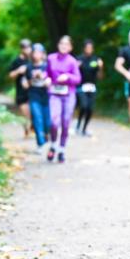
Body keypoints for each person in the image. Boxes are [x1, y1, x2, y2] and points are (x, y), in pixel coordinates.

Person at [46, 35, 81, 163]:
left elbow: (78, 79)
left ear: (70, 47)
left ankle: (61, 149)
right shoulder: (50, 58)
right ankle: (53, 145)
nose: (63, 46)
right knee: (54, 121)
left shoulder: (72, 61)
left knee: (66, 122)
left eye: (66, 44)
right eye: (61, 43)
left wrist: (67, 77)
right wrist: (47, 78)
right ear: (58, 45)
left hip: (68, 94)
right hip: (54, 94)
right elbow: (46, 72)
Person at [25, 43, 51, 154]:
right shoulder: (29, 67)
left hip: (46, 96)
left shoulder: (47, 66)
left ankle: (46, 136)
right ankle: (40, 143)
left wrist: (45, 79)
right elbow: (26, 83)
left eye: (39, 52)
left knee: (48, 122)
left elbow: (51, 80)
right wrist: (33, 78)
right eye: (34, 52)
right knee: (37, 119)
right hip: (34, 96)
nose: (36, 55)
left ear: (42, 54)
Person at [75, 39, 103, 137]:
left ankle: (84, 128)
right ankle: (78, 124)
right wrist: (77, 67)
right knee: (84, 106)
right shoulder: (78, 59)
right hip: (81, 87)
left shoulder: (96, 60)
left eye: (91, 48)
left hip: (92, 87)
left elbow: (100, 77)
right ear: (84, 48)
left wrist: (100, 67)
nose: (89, 49)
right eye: (87, 48)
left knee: (90, 109)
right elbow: (74, 75)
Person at [8, 39, 33, 137]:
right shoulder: (16, 61)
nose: (28, 50)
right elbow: (10, 75)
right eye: (26, 48)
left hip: (32, 90)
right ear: (21, 49)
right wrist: (18, 71)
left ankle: (32, 128)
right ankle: (26, 129)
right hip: (20, 91)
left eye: (29, 47)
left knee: (33, 111)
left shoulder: (32, 60)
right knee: (25, 112)